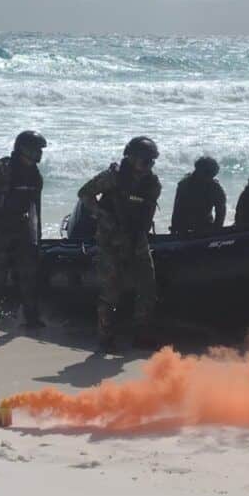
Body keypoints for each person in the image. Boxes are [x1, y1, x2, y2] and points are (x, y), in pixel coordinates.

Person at [78, 136, 162, 351]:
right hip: (111, 239)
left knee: (147, 287)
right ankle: (106, 338)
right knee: (111, 291)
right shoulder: (113, 178)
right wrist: (101, 215)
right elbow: (85, 193)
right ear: (131, 158)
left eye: (151, 162)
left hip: (137, 238)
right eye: (145, 161)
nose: (148, 166)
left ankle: (141, 335)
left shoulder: (152, 183)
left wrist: (142, 233)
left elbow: (149, 209)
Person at [0, 130, 47, 333]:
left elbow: (35, 208)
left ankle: (31, 318)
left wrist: (36, 237)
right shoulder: (2, 171)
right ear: (22, 149)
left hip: (21, 228)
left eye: (40, 150)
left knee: (29, 274)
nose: (39, 153)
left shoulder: (35, 175)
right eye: (35, 149)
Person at [170, 156, 226, 235]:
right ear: (197, 170)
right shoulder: (184, 184)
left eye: (213, 174)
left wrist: (217, 229)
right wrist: (174, 229)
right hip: (184, 225)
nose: (210, 177)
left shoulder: (215, 188)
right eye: (208, 173)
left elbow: (221, 211)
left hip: (205, 224)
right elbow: (177, 210)